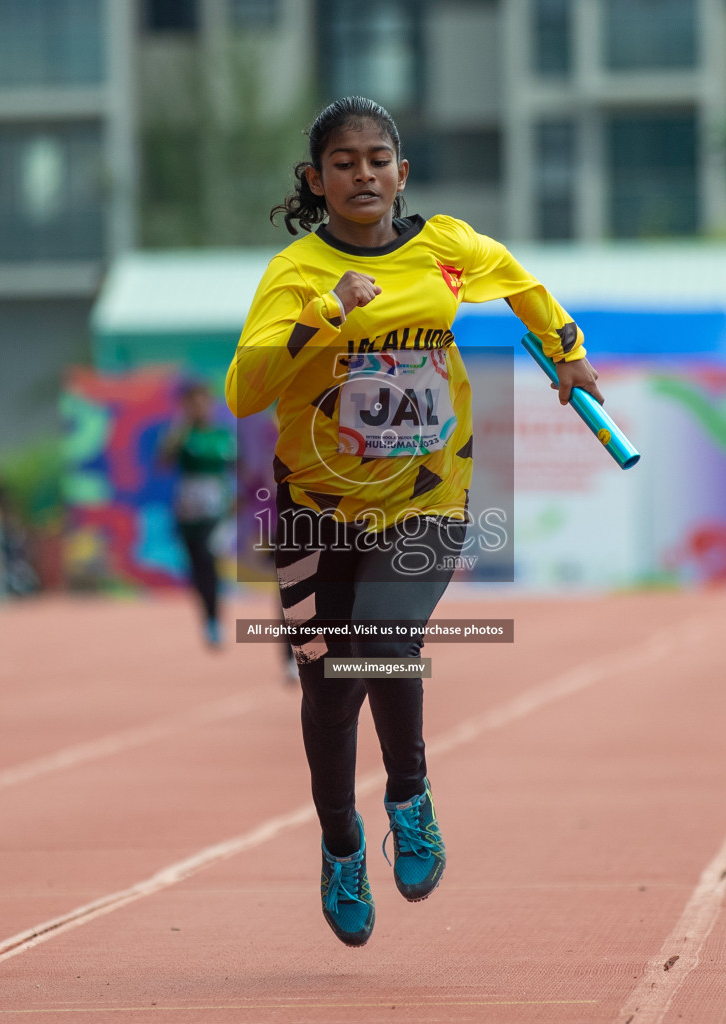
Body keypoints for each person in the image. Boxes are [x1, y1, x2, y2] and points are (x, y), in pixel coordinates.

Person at [226, 97, 599, 947]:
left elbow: (524, 286)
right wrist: (327, 316)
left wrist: (569, 352)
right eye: (345, 162)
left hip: (427, 498)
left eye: (379, 158)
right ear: (317, 181)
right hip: (313, 513)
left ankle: (409, 795)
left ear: (402, 171)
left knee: (382, 633)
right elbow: (245, 391)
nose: (365, 173)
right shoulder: (297, 273)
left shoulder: (447, 250)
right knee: (328, 690)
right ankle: (342, 843)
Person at [158, 380, 237, 649]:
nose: (199, 407)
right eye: (193, 402)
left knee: (208, 559)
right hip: (187, 512)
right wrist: (179, 427)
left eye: (203, 401)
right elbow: (162, 462)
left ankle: (215, 619)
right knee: (195, 568)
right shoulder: (182, 435)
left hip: (216, 512)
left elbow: (243, 469)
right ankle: (208, 615)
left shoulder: (223, 435)